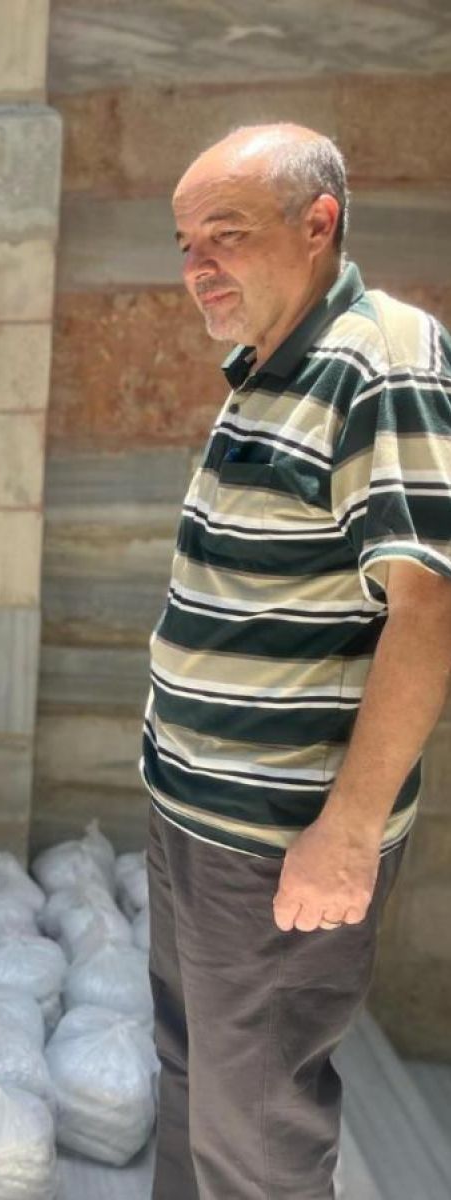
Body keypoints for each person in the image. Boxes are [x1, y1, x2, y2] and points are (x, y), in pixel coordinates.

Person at [144, 124, 451, 1199]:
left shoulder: (380, 361)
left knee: (258, 1144)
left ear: (318, 224)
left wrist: (349, 835)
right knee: (196, 1095)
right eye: (186, 244)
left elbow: (429, 610)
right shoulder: (273, 367)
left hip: (277, 849)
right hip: (199, 824)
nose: (198, 268)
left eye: (225, 234)